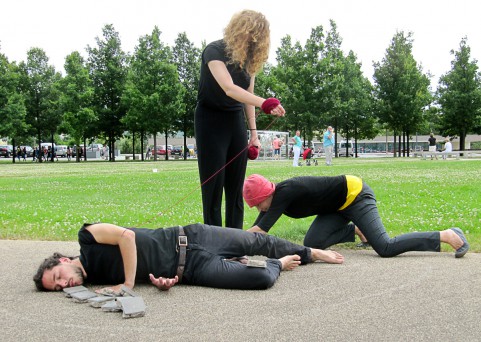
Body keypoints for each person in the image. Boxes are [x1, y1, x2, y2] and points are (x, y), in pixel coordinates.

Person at [33, 222, 344, 293]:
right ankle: (280, 264)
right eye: (57, 288)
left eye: (59, 278)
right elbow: (150, 273)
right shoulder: (98, 283)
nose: (64, 284)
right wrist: (160, 282)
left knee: (257, 241)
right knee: (261, 277)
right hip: (193, 269)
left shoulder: (87, 238)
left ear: (62, 261)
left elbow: (127, 237)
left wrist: (127, 283)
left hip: (191, 236)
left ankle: (311, 252)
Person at [194, 10, 285, 229]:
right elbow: (229, 88)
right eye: (253, 36)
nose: (255, 42)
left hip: (235, 120)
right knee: (213, 187)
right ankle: (214, 243)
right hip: (210, 120)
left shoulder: (249, 61)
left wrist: (253, 134)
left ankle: (235, 243)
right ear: (241, 31)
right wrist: (265, 102)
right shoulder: (213, 51)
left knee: (235, 187)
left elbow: (247, 98)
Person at [242, 174, 470, 258]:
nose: (256, 208)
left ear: (265, 194)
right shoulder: (274, 201)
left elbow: (260, 232)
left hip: (356, 195)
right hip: (336, 207)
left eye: (256, 203)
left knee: (386, 247)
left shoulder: (283, 193)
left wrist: (229, 242)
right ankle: (357, 229)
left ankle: (446, 234)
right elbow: (257, 228)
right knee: (313, 243)